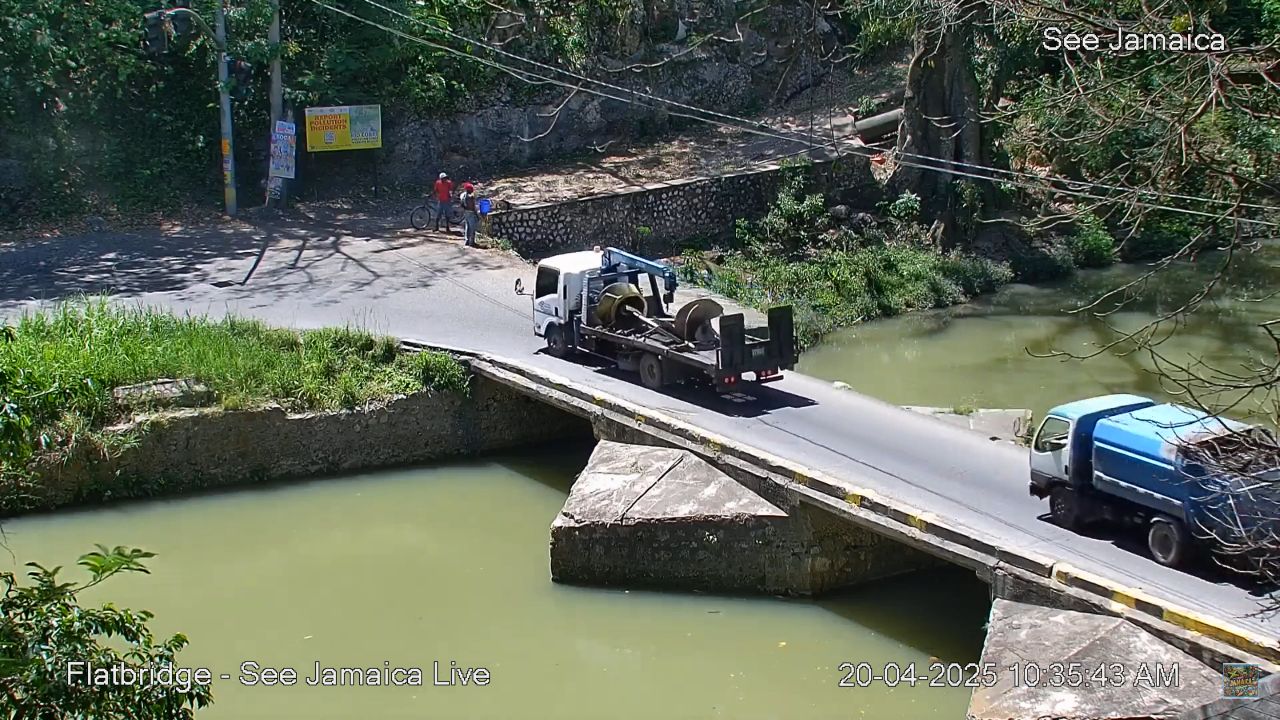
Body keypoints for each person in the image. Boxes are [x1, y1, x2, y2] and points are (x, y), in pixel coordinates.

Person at [459, 182, 479, 247]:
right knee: (472, 228)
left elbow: (462, 204)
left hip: (465, 212)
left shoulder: (463, 195)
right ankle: (472, 242)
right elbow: (472, 207)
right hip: (471, 212)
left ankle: (467, 240)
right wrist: (476, 214)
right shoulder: (470, 197)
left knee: (467, 227)